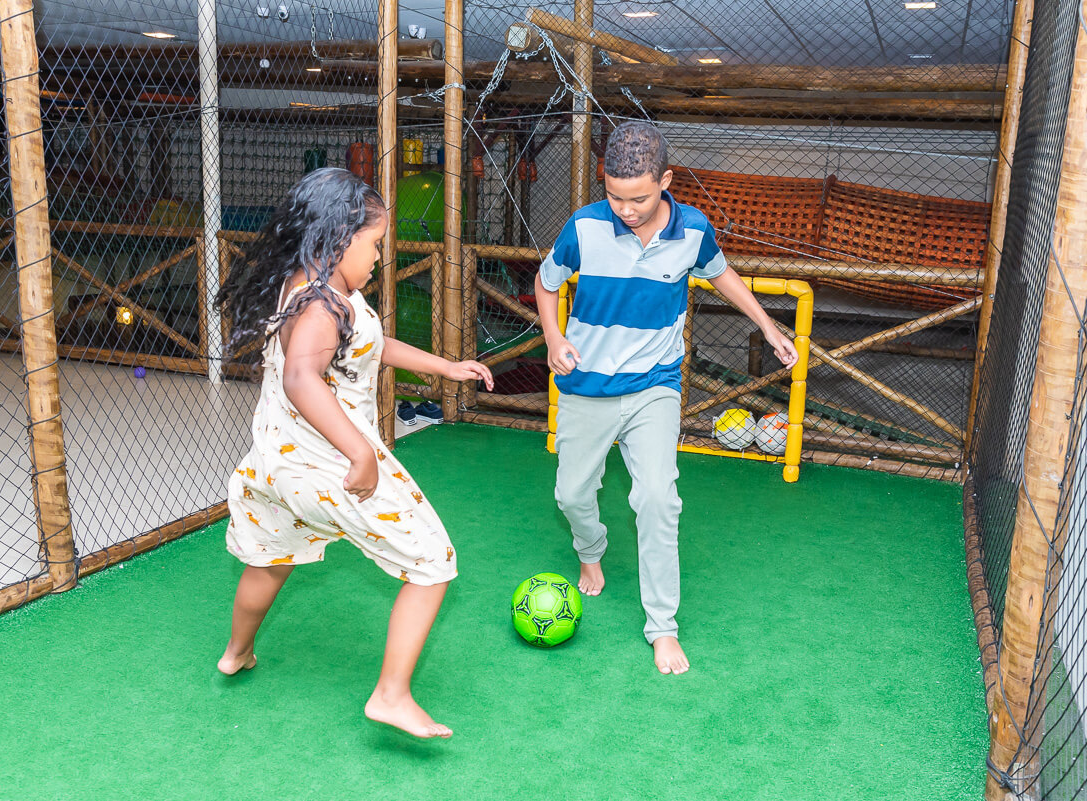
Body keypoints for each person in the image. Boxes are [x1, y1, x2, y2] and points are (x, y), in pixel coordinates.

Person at [215, 168, 493, 738]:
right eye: (374, 244)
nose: (380, 257)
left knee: (270, 558)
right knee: (433, 561)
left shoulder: (318, 289)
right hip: (328, 465)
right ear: (338, 240)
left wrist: (444, 366)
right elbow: (301, 376)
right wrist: (359, 454)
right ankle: (391, 696)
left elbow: (372, 343)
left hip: (274, 465)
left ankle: (236, 653)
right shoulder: (321, 305)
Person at [534, 121, 798, 676]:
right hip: (587, 386)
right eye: (613, 195)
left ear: (666, 181)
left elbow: (724, 278)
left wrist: (770, 327)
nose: (625, 209)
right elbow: (547, 282)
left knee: (657, 498)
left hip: (655, 385)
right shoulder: (583, 227)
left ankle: (662, 627)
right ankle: (590, 547)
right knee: (572, 495)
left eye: (638, 198)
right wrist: (556, 339)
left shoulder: (694, 232)